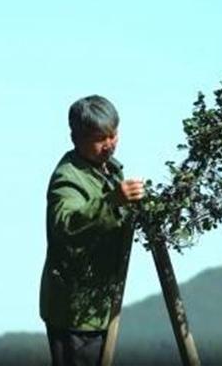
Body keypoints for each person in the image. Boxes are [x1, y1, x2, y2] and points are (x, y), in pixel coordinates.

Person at [40, 95, 145, 366]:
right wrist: (113, 202)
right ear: (76, 138)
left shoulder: (108, 169)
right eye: (101, 139)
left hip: (98, 304)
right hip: (75, 310)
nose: (110, 144)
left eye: (114, 135)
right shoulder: (68, 178)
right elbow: (66, 223)